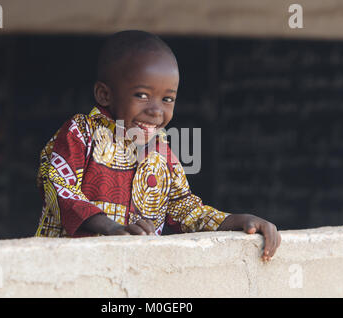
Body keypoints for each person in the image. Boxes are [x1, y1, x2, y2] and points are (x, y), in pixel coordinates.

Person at [35, 30, 281, 261]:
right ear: (104, 95)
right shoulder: (82, 133)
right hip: (68, 271)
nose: (156, 110)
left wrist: (236, 220)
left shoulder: (162, 151)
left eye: (167, 99)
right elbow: (58, 186)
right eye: (142, 95)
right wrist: (110, 227)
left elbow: (185, 209)